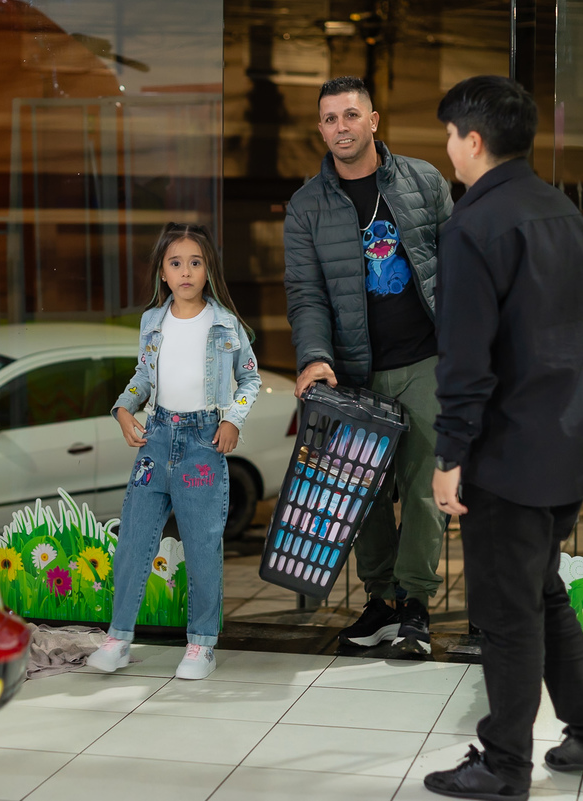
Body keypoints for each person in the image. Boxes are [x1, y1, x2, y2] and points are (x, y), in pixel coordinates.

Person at [425, 76, 583, 801]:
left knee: (507, 614)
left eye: (449, 135)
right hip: (567, 443)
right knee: (540, 594)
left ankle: (504, 763)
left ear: (473, 140)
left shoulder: (475, 226)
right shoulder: (561, 211)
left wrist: (450, 455)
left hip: (508, 455)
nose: (446, 148)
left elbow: (466, 361)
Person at [283, 75, 453, 654]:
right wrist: (314, 359)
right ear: (322, 128)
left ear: (373, 120)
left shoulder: (423, 181)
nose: (340, 128)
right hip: (353, 373)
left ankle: (415, 605)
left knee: (425, 488)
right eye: (330, 119)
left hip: (426, 359)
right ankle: (380, 601)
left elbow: (459, 267)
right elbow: (306, 296)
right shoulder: (307, 206)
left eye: (350, 115)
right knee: (360, 493)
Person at [86, 222, 261, 680]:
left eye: (196, 263)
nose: (186, 271)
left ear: (208, 270)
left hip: (204, 442)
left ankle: (201, 645)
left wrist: (231, 420)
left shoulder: (226, 324)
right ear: (163, 272)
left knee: (202, 546)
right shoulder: (152, 322)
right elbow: (143, 377)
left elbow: (250, 379)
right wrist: (124, 409)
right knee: (133, 540)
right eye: (176, 263)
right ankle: (118, 637)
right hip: (156, 438)